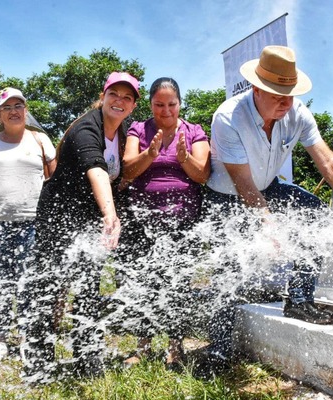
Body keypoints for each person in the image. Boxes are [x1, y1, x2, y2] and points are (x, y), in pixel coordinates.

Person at [204, 46, 333, 362]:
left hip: (268, 188)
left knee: (314, 214)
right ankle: (218, 351)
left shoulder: (297, 113)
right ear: (257, 89)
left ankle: (299, 300)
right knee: (228, 269)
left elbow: (328, 162)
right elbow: (243, 184)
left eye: (290, 93)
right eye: (277, 94)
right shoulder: (228, 118)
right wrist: (269, 223)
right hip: (226, 198)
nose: (286, 102)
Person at [23, 72, 139, 381]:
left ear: (133, 105)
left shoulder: (125, 131)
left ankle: (88, 357)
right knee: (48, 286)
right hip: (58, 216)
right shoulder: (86, 128)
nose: (120, 101)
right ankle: (38, 364)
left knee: (89, 285)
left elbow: (123, 170)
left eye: (127, 97)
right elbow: (97, 171)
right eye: (115, 94)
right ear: (103, 96)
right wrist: (110, 215)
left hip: (89, 215)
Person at [120, 77, 210, 368]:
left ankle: (175, 347)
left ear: (179, 104)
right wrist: (150, 154)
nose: (166, 110)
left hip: (183, 218)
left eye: (171, 104)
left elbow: (202, 174)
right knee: (144, 281)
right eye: (159, 104)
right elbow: (129, 170)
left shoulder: (194, 131)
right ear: (150, 104)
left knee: (178, 283)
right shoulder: (138, 129)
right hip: (143, 218)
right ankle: (142, 346)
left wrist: (183, 158)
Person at [0, 88, 56, 367]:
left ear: (26, 111)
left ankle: (29, 339)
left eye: (19, 105)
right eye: (7, 107)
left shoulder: (40, 140)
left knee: (31, 286)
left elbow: (55, 180)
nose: (14, 110)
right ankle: (0, 340)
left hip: (33, 226)